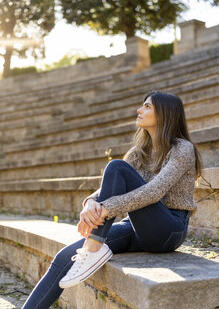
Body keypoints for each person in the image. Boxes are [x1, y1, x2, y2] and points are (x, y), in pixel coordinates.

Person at [22, 91, 202, 308]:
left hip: (168, 229)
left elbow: (155, 192)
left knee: (116, 167)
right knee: (65, 257)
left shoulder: (182, 148)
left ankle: (93, 246)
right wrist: (90, 203)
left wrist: (106, 208)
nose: (139, 110)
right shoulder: (138, 152)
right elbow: (104, 190)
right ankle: (91, 250)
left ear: (165, 113)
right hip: (136, 227)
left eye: (147, 107)